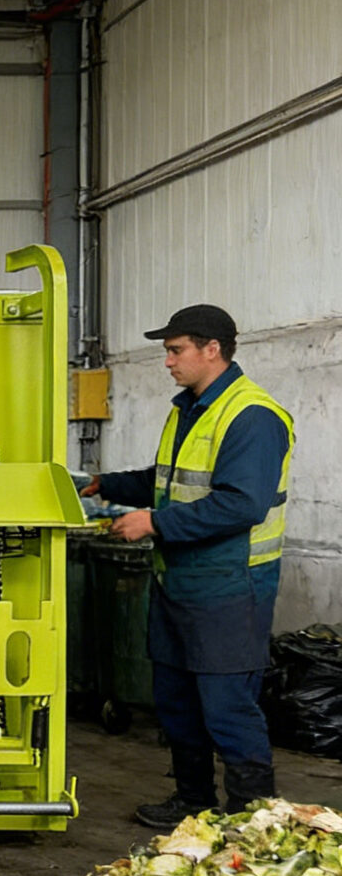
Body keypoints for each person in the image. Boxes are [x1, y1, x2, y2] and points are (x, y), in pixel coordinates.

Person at [81, 304, 294, 830]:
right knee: (177, 701)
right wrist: (107, 485)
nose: (168, 362)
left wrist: (153, 524)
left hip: (229, 586)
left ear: (212, 350)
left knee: (226, 705)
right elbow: (169, 479)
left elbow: (242, 504)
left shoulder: (252, 416)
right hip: (179, 580)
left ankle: (252, 816)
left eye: (176, 350)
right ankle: (193, 801)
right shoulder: (190, 409)